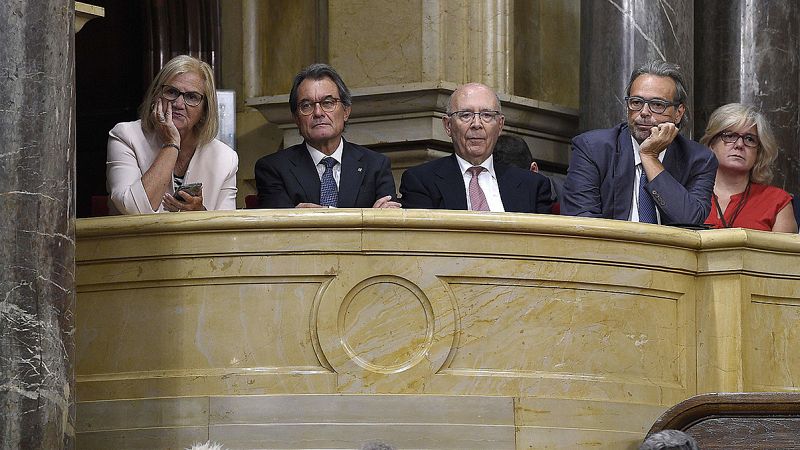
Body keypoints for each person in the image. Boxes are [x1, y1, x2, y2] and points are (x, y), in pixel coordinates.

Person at [561, 61, 718, 225]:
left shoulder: (699, 159)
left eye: (657, 105)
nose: (643, 112)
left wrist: (650, 157)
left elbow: (689, 220)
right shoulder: (593, 149)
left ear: (678, 113)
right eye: (636, 102)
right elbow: (581, 222)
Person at [254, 64, 400, 209]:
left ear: (346, 111)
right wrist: (293, 217)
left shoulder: (375, 165)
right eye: (306, 105)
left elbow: (388, 224)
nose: (318, 112)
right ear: (296, 118)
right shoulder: (273, 169)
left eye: (328, 103)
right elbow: (276, 227)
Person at [107, 55, 238, 214]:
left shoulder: (225, 158)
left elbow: (226, 230)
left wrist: (200, 213)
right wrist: (171, 144)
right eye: (171, 92)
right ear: (156, 96)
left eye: (191, 97)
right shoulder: (125, 136)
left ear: (205, 110)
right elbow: (134, 210)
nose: (178, 104)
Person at [399, 83, 552, 212]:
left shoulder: (532, 185)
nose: (477, 124)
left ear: (500, 125)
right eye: (465, 115)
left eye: (486, 115)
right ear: (448, 125)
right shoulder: (421, 181)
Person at [700, 103, 797, 232]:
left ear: (758, 152)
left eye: (750, 139)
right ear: (711, 144)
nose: (739, 144)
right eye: (730, 136)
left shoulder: (778, 202)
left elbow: (783, 252)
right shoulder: (688, 194)